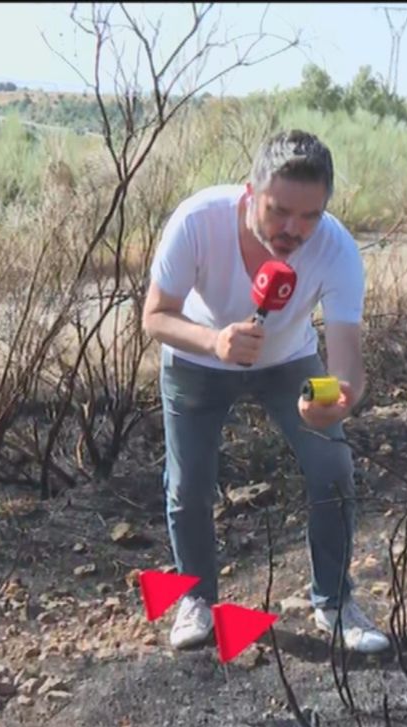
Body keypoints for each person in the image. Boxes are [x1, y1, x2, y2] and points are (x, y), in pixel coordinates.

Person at [142, 129, 389, 654]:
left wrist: (334, 400)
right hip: (198, 355)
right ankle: (196, 598)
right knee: (189, 483)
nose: (293, 230)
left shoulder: (336, 248)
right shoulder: (197, 221)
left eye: (310, 216)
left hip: (289, 360)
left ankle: (335, 601)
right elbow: (156, 316)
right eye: (279, 212)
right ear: (250, 191)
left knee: (333, 467)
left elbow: (347, 365)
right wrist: (215, 341)